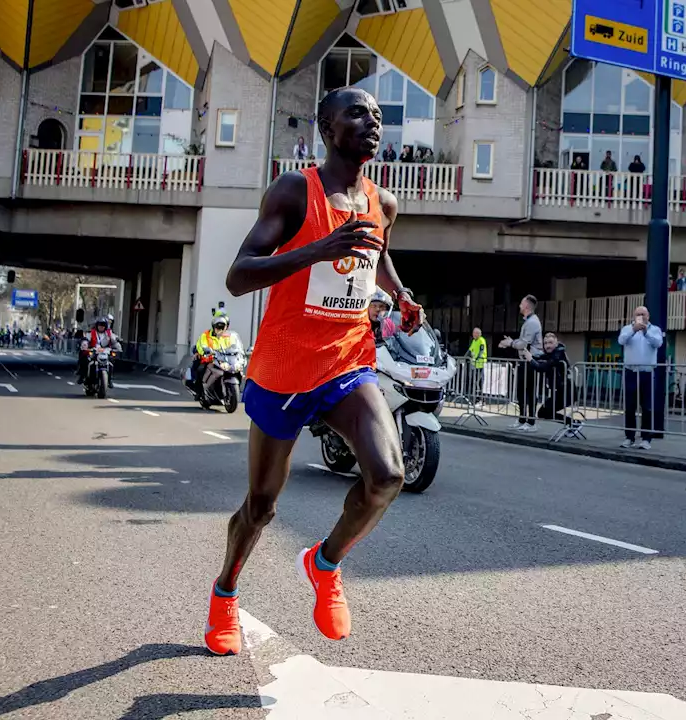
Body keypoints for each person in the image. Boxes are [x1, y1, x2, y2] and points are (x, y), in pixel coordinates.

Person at [204, 86, 425, 656]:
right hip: (283, 366)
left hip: (348, 359)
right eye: (357, 113)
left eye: (379, 116)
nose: (372, 122)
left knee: (387, 475)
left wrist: (399, 294)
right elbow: (240, 274)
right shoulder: (294, 191)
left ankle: (325, 564)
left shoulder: (385, 202)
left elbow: (377, 255)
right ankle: (225, 593)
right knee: (262, 505)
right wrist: (314, 250)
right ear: (327, 128)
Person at [617, 305, 664, 450]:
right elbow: (621, 340)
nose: (641, 316)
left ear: (648, 316)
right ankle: (629, 437)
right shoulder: (627, 328)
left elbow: (658, 343)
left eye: (643, 314)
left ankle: (646, 439)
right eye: (638, 314)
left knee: (647, 407)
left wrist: (645, 332)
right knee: (630, 406)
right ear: (633, 316)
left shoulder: (654, 329)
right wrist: (633, 330)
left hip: (647, 372)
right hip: (631, 371)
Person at [499, 295, 543, 432]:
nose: (519, 306)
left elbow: (524, 343)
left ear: (527, 306)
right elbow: (522, 341)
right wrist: (513, 342)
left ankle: (531, 422)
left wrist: (510, 343)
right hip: (525, 361)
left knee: (529, 392)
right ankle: (523, 419)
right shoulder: (529, 322)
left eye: (521, 303)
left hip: (531, 360)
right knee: (522, 392)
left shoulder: (532, 322)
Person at [188, 312, 244, 399]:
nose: (220, 329)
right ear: (214, 326)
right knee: (200, 369)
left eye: (222, 327)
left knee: (237, 370)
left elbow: (236, 346)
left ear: (226, 327)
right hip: (210, 359)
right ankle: (198, 391)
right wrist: (204, 350)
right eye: (218, 327)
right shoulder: (205, 335)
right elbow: (200, 345)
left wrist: (239, 352)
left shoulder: (230, 336)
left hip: (226, 360)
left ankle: (229, 391)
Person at [526, 332, 570, 423]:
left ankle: (573, 424)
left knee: (544, 412)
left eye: (550, 343)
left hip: (566, 391)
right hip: (560, 391)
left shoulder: (557, 354)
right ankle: (572, 424)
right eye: (545, 343)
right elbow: (540, 357)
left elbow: (542, 367)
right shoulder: (552, 354)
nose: (547, 346)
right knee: (544, 412)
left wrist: (530, 360)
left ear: (556, 343)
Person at [77, 315, 122, 385]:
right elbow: (86, 340)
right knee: (85, 360)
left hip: (105, 352)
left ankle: (109, 379)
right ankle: (82, 376)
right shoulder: (91, 333)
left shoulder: (109, 333)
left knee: (111, 363)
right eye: (100, 325)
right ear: (97, 325)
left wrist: (118, 347)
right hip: (94, 351)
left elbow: (115, 341)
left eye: (103, 325)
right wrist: (84, 344)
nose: (101, 327)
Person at [466, 326, 487, 398]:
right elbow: (469, 350)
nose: (473, 335)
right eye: (473, 333)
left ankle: (481, 399)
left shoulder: (481, 340)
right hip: (474, 364)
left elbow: (481, 350)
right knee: (473, 381)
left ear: (479, 334)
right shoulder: (474, 341)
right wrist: (464, 357)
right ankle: (474, 397)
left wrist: (477, 358)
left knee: (480, 382)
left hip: (480, 364)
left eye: (475, 333)